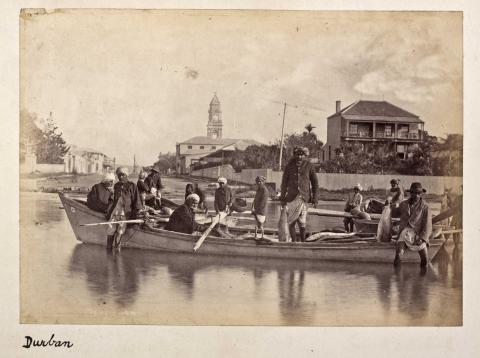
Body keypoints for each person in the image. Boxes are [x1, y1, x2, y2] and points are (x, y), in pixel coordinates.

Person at [280, 146, 318, 242]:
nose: (299, 157)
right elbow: (284, 183)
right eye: (297, 154)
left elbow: (315, 183)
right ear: (294, 155)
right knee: (291, 222)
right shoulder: (289, 166)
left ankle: (303, 242)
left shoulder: (309, 166)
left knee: (302, 223)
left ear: (304, 156)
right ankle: (294, 242)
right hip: (291, 199)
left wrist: (315, 199)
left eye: (302, 155)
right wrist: (282, 198)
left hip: (304, 198)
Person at [394, 182, 432, 267]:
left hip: (418, 233)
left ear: (421, 194)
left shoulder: (425, 207)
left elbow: (428, 225)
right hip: (404, 232)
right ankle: (397, 278)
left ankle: (422, 279)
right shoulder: (404, 204)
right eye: (412, 193)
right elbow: (395, 213)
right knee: (399, 254)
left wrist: (422, 238)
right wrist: (390, 207)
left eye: (416, 193)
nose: (414, 195)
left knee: (425, 258)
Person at [105, 167, 143, 249]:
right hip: (115, 213)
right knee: (110, 232)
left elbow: (136, 202)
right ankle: (109, 252)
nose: (120, 177)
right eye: (119, 175)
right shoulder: (116, 186)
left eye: (123, 175)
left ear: (126, 175)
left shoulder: (132, 186)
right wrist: (108, 212)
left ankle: (117, 251)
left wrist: (136, 213)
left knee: (119, 233)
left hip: (125, 214)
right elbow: (113, 201)